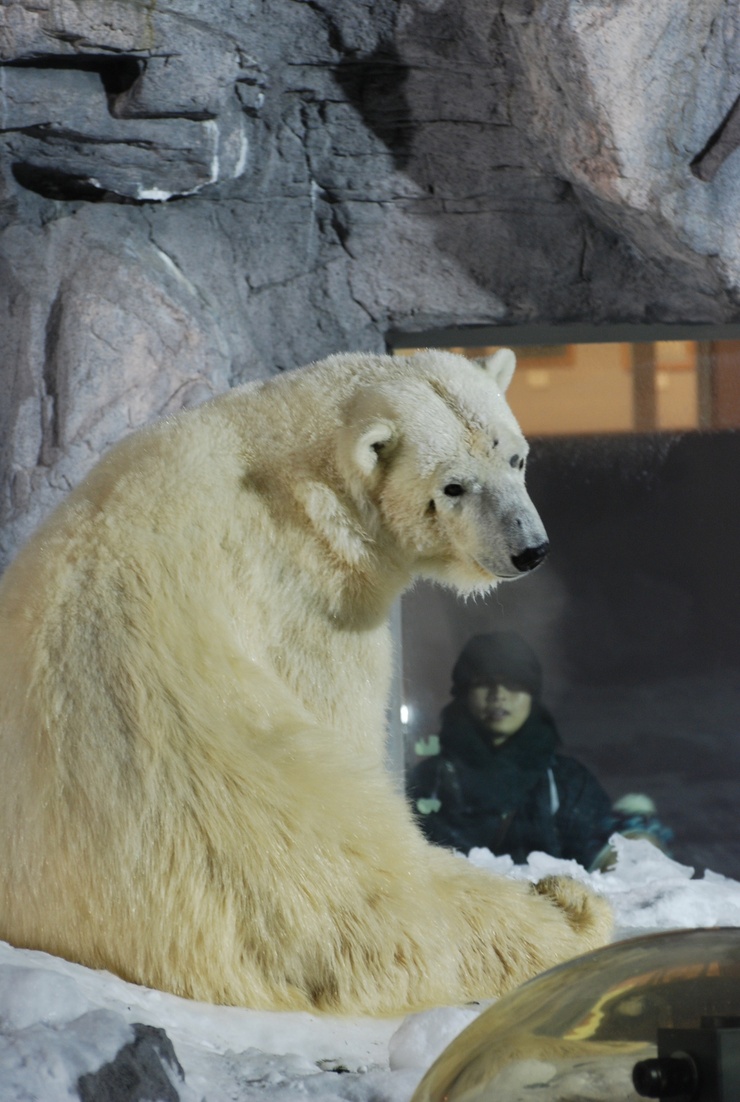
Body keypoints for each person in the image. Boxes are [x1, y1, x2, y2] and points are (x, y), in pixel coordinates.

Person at [407, 631, 614, 869]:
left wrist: (636, 837)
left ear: (532, 695)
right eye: (484, 683)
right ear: (464, 693)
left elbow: (603, 853)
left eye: (513, 684)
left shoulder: (567, 783)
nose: (498, 695)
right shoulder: (428, 783)